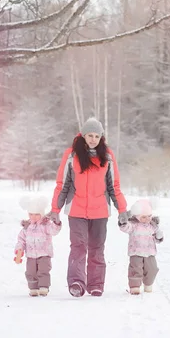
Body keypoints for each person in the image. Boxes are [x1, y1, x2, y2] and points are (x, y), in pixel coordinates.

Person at [48, 117, 128, 297]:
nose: (93, 139)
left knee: (97, 248)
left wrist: (122, 210)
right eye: (90, 135)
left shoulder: (107, 156)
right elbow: (62, 184)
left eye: (96, 136)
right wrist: (55, 209)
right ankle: (76, 282)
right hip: (76, 210)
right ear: (83, 136)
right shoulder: (72, 155)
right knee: (78, 246)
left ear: (101, 138)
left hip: (100, 212)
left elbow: (113, 186)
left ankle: (96, 284)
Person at [14, 195, 62, 297]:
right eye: (31, 214)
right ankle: (33, 288)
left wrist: (56, 223)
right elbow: (21, 240)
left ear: (41, 214)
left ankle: (44, 287)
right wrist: (19, 249)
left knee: (43, 270)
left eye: (36, 214)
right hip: (31, 255)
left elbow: (54, 231)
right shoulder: (27, 227)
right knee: (30, 272)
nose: (33, 217)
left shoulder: (46, 225)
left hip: (44, 253)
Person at [118, 199, 164, 295]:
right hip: (136, 251)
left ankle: (148, 285)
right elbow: (125, 228)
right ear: (137, 216)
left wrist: (158, 236)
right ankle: (135, 287)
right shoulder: (133, 225)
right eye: (143, 217)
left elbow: (156, 237)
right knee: (136, 269)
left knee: (152, 269)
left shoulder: (152, 226)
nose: (147, 219)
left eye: (149, 216)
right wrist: (123, 222)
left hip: (150, 252)